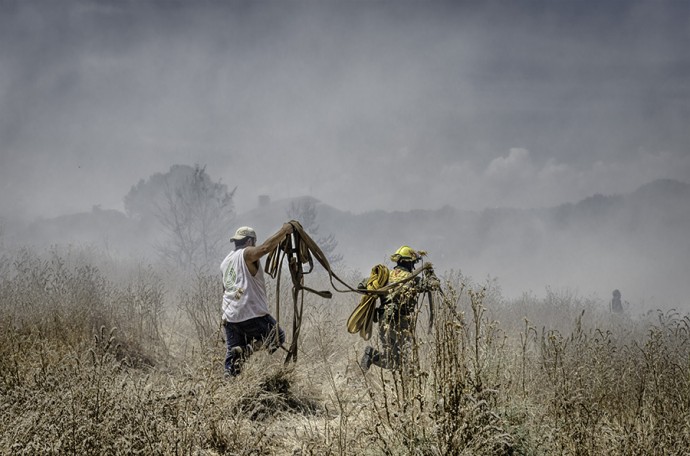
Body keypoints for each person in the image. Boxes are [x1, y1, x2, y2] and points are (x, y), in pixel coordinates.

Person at [221, 223, 293, 377]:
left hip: (230, 317)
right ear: (249, 241)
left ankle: (227, 387)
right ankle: (246, 351)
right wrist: (284, 231)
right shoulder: (247, 253)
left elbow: (226, 288)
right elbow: (265, 248)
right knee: (277, 337)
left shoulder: (226, 262)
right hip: (250, 313)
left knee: (233, 363)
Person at [359, 245, 430, 372]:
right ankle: (409, 387)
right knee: (402, 360)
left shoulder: (385, 277)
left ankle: (370, 355)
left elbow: (362, 286)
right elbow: (432, 285)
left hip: (384, 320)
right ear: (409, 262)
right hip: (400, 323)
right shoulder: (413, 279)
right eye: (413, 262)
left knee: (394, 359)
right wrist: (430, 272)